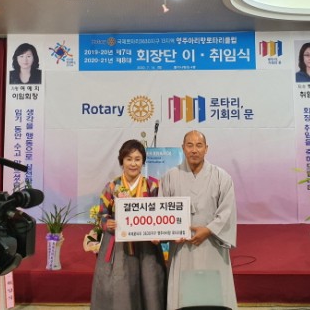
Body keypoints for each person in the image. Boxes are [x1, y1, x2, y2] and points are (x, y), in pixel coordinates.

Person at [161, 130, 237, 310]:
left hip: (212, 244)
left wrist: (208, 230)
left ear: (206, 149)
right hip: (182, 245)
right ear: (183, 148)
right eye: (190, 145)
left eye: (199, 145)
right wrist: (171, 232)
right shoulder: (170, 176)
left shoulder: (221, 176)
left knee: (213, 297)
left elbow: (227, 211)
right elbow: (162, 211)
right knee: (183, 298)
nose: (194, 150)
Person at [90, 139, 167, 310]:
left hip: (147, 245)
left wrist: (159, 234)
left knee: (150, 285)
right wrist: (107, 223)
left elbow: (161, 214)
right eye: (129, 159)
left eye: (137, 159)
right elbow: (102, 214)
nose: (133, 163)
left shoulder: (153, 185)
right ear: (122, 161)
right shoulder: (112, 187)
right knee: (119, 286)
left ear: (143, 161)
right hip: (118, 244)